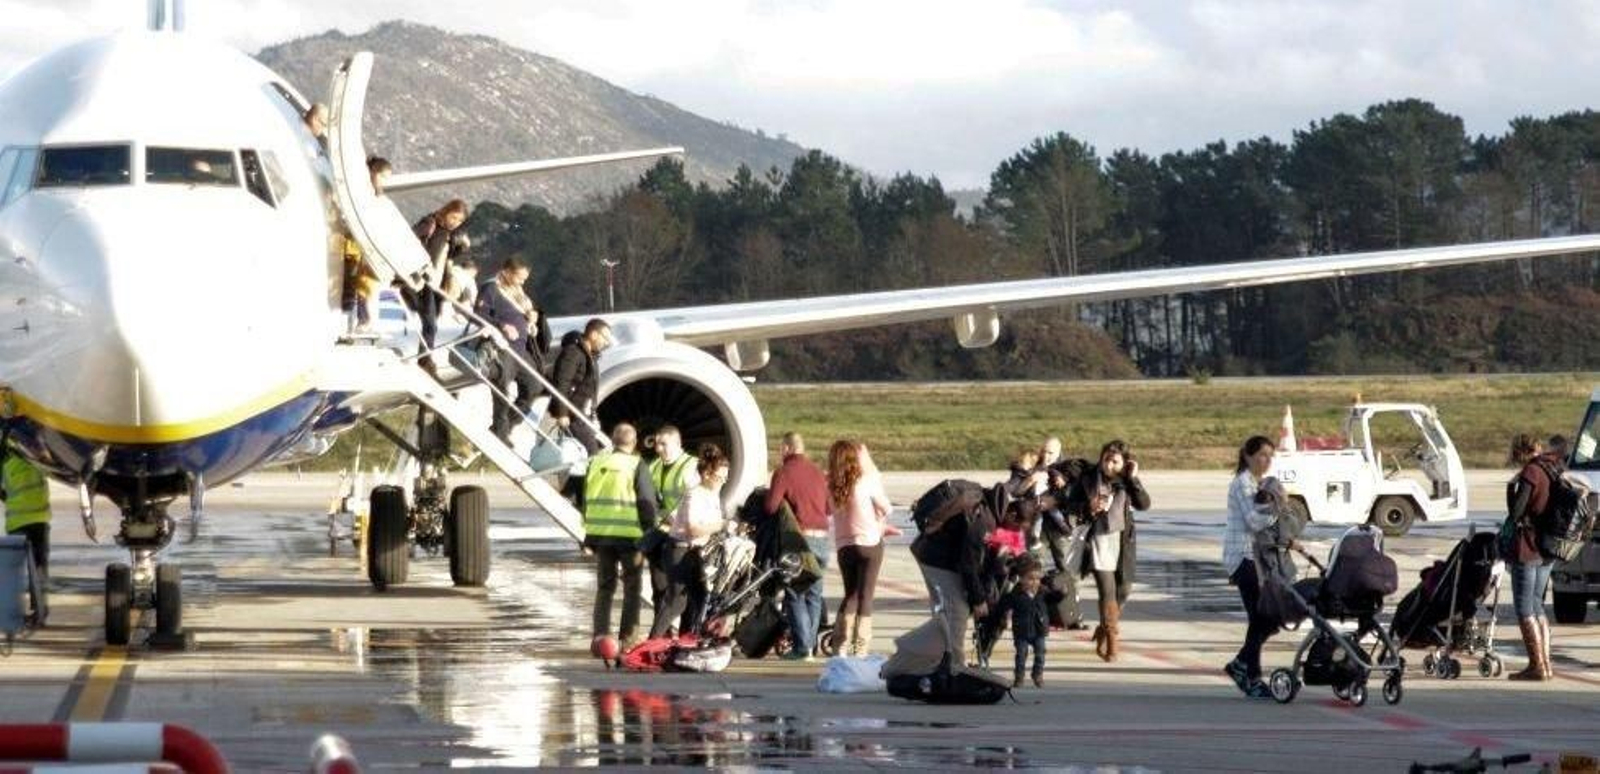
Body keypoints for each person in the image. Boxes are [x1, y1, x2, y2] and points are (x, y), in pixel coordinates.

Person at [1066, 440, 1150, 662]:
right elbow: (1070, 506)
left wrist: (1133, 479)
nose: (1109, 465)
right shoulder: (1087, 479)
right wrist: (1088, 507)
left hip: (1122, 541)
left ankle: (1104, 627)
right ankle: (1112, 639)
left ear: (1124, 463)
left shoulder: (1126, 482)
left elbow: (1144, 504)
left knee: (1124, 589)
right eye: (1106, 459)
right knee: (1108, 590)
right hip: (1098, 539)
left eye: (1115, 462)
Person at [582, 423, 657, 648]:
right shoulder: (637, 465)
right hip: (631, 538)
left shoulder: (595, 462)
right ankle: (627, 640)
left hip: (601, 536)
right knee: (632, 589)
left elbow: (585, 499)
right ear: (633, 443)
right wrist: (650, 534)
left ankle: (600, 636)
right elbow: (647, 505)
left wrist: (589, 536)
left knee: (605, 587)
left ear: (612, 441)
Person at [650, 444, 730, 638]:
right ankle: (651, 641)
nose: (723, 482)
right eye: (720, 477)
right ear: (706, 474)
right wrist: (721, 525)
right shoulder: (695, 494)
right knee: (676, 601)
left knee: (698, 598)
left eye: (726, 478)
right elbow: (692, 528)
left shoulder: (713, 495)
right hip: (679, 550)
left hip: (694, 553)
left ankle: (687, 639)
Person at [1222, 435, 1280, 699]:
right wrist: (1279, 510)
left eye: (1270, 456)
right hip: (1242, 557)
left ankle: (1242, 666)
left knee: (1264, 619)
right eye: (1262, 455)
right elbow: (1254, 522)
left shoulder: (1256, 483)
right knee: (1262, 618)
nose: (1266, 460)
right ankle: (1249, 674)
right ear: (1248, 455)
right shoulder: (1243, 483)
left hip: (1253, 559)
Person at [765, 431, 831, 660]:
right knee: (814, 595)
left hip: (799, 540)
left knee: (794, 594)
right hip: (823, 540)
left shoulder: (783, 473)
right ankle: (809, 647)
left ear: (786, 448)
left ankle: (803, 648)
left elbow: (770, 508)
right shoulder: (819, 472)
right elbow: (829, 508)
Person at [828, 440, 892, 657]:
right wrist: (872, 471)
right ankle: (861, 648)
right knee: (866, 597)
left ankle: (840, 646)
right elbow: (886, 507)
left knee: (850, 595)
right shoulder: (864, 481)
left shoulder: (831, 484)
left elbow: (829, 512)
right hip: (869, 543)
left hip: (844, 546)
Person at [1504, 434, 1556, 681]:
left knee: (1525, 608)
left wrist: (1511, 487)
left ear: (1522, 452)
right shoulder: (1551, 467)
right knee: (1537, 606)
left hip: (1528, 547)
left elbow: (1516, 513)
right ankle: (1545, 664)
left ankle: (1537, 666)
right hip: (1548, 548)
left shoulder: (1531, 473)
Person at [475, 258, 541, 443]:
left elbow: (524, 310)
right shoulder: (491, 289)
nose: (522, 282)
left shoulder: (519, 293)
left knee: (534, 386)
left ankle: (506, 425)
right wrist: (501, 325)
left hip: (521, 348)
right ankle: (500, 433)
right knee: (502, 389)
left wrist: (531, 317)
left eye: (524, 279)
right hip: (503, 347)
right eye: (519, 278)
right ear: (507, 272)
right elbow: (478, 314)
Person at [408, 199, 470, 372]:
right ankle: (425, 359)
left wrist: (461, 247)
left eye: (459, 221)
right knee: (430, 323)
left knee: (432, 322)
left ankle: (425, 356)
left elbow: (447, 256)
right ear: (447, 211)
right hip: (424, 280)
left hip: (437, 283)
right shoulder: (430, 223)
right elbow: (410, 240)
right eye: (454, 217)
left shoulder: (449, 234)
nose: (455, 222)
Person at [646, 426, 699, 625]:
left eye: (663, 444)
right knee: (659, 590)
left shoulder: (692, 466)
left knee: (683, 591)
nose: (658, 448)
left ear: (678, 444)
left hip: (684, 538)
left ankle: (687, 633)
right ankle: (662, 637)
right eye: (657, 444)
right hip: (661, 536)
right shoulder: (654, 466)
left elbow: (697, 501)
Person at [551, 318, 612, 453]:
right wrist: (562, 413)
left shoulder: (591, 356)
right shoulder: (573, 352)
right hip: (573, 414)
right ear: (594, 334)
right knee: (592, 454)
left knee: (586, 454)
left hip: (585, 414)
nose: (606, 343)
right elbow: (562, 382)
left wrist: (593, 414)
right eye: (605, 338)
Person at [997, 558, 1050, 688]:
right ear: (1021, 579)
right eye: (1030, 578)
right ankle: (1019, 676)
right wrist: (1003, 616)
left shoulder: (1042, 593)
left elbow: (1055, 599)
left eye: (1037, 579)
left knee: (1040, 653)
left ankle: (1037, 674)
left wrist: (1061, 592)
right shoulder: (1016, 595)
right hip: (1021, 631)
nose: (1034, 582)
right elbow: (1004, 605)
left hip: (1039, 630)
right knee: (1021, 655)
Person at [2, 451, 51, 580]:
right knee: (39, 566)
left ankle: (11, 594)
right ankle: (40, 590)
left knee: (13, 569)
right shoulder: (36, 457)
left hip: (17, 522)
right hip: (39, 519)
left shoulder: (5, 464)